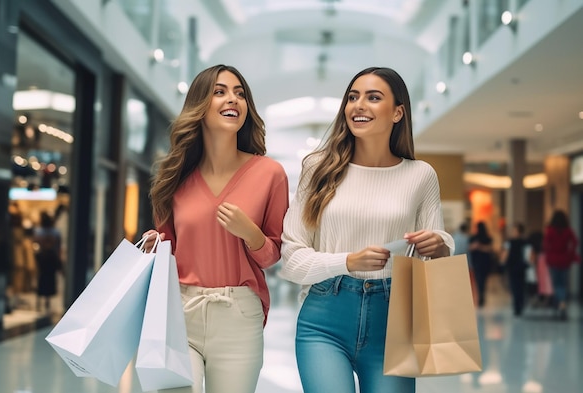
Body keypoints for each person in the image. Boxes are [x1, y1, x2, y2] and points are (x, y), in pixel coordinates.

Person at [278, 67, 454, 393]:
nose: (358, 105)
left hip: (395, 319)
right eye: (353, 97)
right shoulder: (317, 168)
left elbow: (435, 254)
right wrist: (347, 261)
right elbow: (291, 258)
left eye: (373, 98)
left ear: (398, 112)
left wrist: (442, 245)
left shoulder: (421, 175)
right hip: (324, 317)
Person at [142, 64, 289, 393]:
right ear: (199, 105)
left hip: (238, 315)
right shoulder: (175, 176)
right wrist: (156, 244)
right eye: (220, 92)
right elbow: (169, 246)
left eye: (240, 93)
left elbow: (272, 255)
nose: (232, 99)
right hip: (178, 312)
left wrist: (249, 232)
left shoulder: (270, 174)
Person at [542, 210, 579, 320]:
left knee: (556, 284)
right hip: (564, 259)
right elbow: (575, 242)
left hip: (553, 259)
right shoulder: (568, 231)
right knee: (562, 284)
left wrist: (548, 254)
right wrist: (570, 253)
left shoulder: (550, 230)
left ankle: (559, 304)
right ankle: (561, 305)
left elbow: (545, 244)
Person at [33, 211, 63, 313]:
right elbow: (58, 247)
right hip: (50, 258)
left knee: (42, 278)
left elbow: (35, 243)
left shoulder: (39, 231)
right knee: (49, 279)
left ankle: (40, 302)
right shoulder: (55, 232)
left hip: (43, 257)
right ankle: (46, 302)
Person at [499, 222, 528, 316]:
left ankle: (517, 307)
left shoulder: (510, 242)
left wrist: (502, 262)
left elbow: (505, 253)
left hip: (513, 266)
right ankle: (520, 304)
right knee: (520, 286)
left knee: (515, 286)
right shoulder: (525, 242)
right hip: (522, 266)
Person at [469, 221, 494, 308]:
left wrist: (479, 247)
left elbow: (489, 249)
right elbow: (470, 248)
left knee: (481, 281)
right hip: (480, 262)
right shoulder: (474, 238)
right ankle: (481, 297)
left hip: (481, 263)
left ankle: (481, 297)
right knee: (480, 281)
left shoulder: (486, 238)